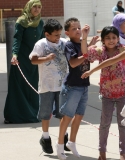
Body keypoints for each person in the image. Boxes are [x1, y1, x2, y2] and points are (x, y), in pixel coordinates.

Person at [82, 26, 125, 160]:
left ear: (118, 39)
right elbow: (86, 54)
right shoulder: (100, 51)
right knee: (104, 124)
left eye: (114, 37)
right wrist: (85, 37)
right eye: (107, 38)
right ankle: (102, 152)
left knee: (123, 124)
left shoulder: (124, 50)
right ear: (102, 40)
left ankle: (123, 153)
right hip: (107, 94)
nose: (111, 40)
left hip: (122, 93)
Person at [29, 19, 68, 154]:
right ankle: (45, 138)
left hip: (63, 85)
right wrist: (46, 58)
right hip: (47, 85)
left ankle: (63, 138)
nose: (58, 37)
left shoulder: (64, 43)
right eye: (56, 35)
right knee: (46, 114)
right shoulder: (40, 44)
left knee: (64, 113)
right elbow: (33, 60)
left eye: (60, 34)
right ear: (47, 34)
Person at [4, 0, 44, 124]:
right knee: (19, 87)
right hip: (21, 60)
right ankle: (15, 116)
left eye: (39, 7)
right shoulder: (21, 21)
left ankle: (32, 114)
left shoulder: (40, 22)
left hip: (34, 60)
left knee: (33, 87)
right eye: (34, 7)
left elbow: (42, 40)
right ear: (28, 8)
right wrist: (14, 54)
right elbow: (17, 39)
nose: (37, 9)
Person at [55, 17, 90, 160]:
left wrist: (87, 43)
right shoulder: (69, 46)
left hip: (84, 85)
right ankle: (59, 145)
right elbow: (74, 63)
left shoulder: (83, 43)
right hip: (73, 86)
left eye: (79, 27)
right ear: (67, 33)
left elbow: (88, 56)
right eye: (74, 28)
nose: (78, 30)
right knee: (67, 116)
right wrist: (86, 55)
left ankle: (72, 142)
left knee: (79, 115)